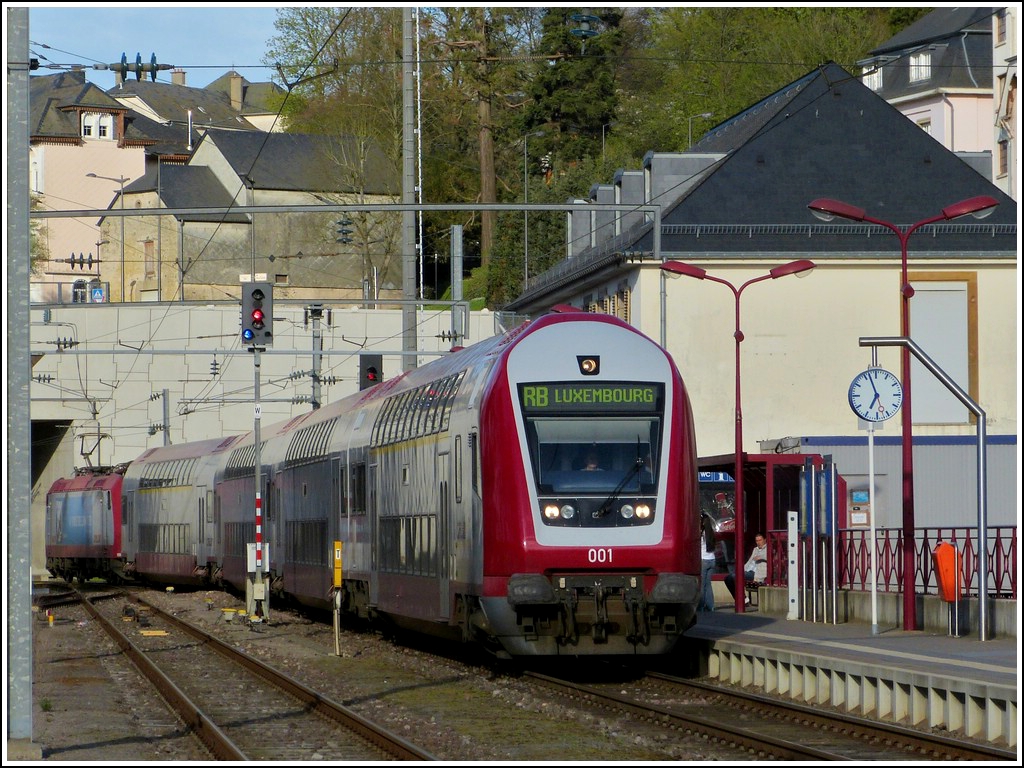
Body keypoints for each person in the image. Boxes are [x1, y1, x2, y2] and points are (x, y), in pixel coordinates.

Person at [725, 532, 768, 605]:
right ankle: (743, 599)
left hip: (756, 574)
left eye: (760, 540)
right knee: (727, 578)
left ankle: (742, 600)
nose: (758, 542)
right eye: (757, 541)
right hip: (748, 571)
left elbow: (769, 557)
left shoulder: (768, 548)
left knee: (734, 577)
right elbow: (749, 561)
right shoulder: (755, 549)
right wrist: (741, 569)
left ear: (765, 540)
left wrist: (761, 557)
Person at [698, 513, 717, 612]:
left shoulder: (702, 534)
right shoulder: (711, 533)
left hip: (703, 559)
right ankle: (711, 605)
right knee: (708, 584)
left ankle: (701, 605)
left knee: (702, 584)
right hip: (712, 559)